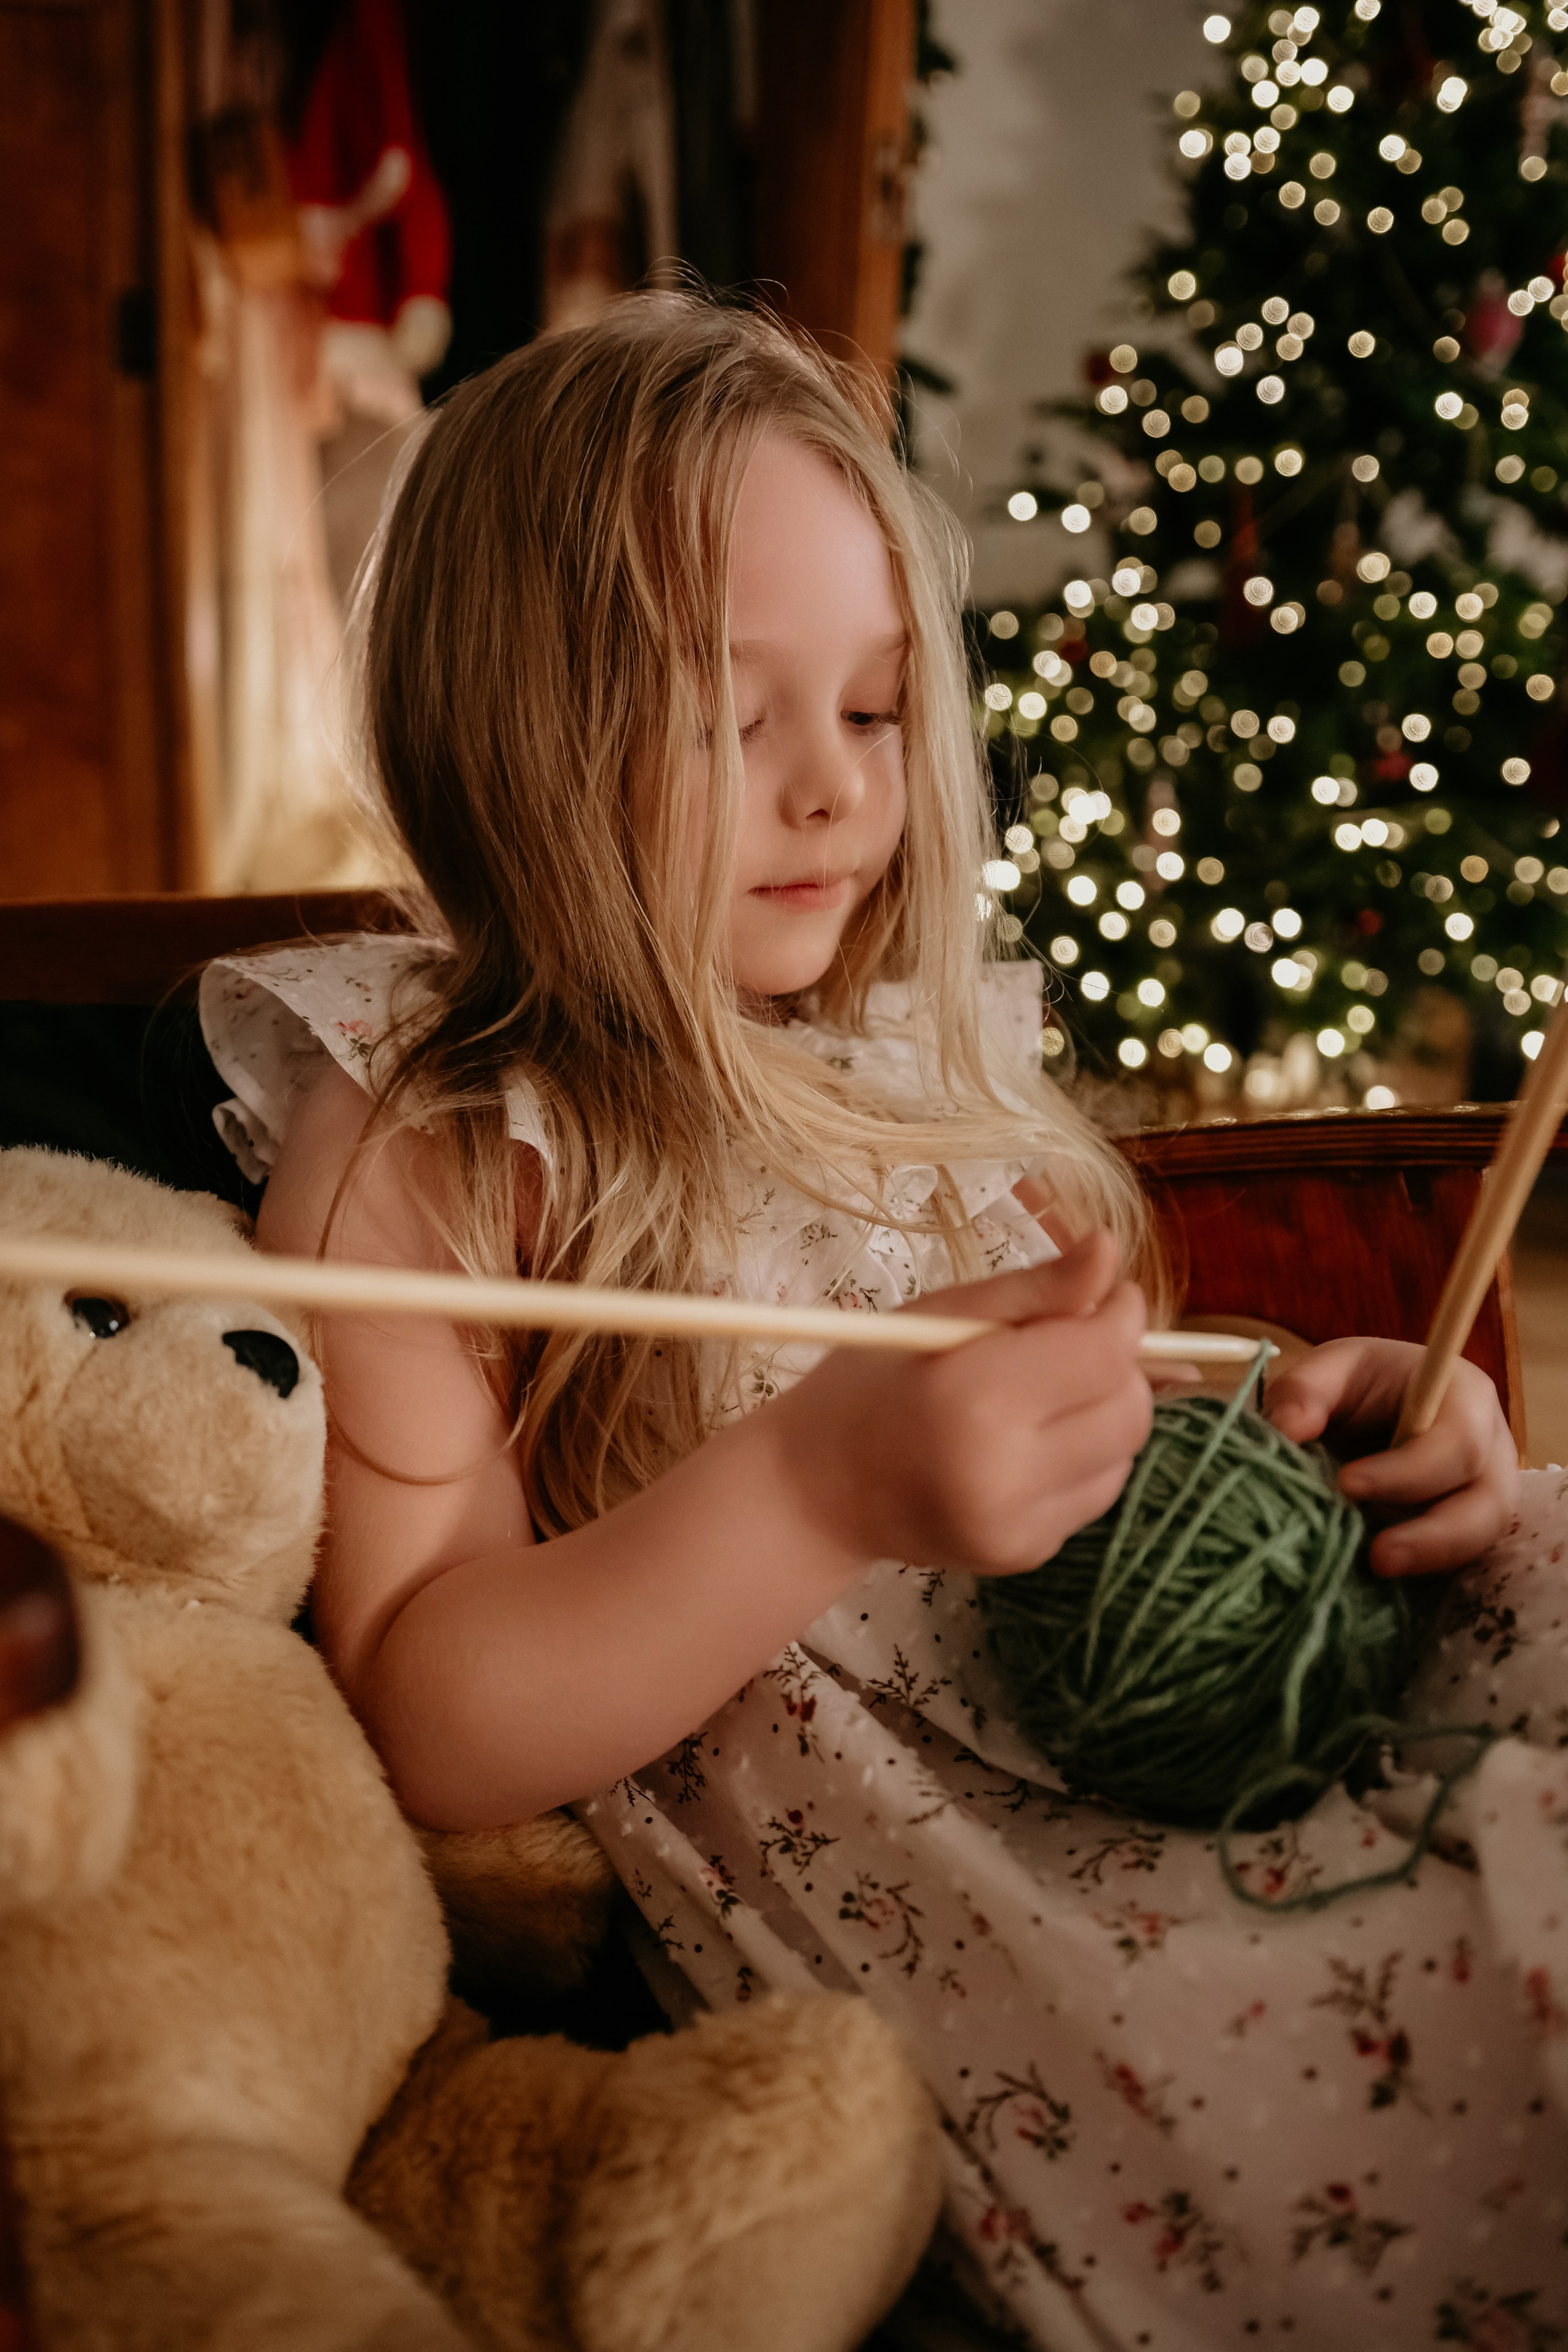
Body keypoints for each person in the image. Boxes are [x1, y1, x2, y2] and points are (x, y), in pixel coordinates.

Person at [202, 293, 1564, 2350]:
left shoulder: (917, 1063)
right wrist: (820, 1485)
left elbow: (1124, 1419)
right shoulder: (445, 1132)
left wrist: (1325, 1431)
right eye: (729, 714)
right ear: (509, 726)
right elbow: (423, 1708)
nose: (834, 792)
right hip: (983, 1864)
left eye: (870, 707)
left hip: (1200, 1715)